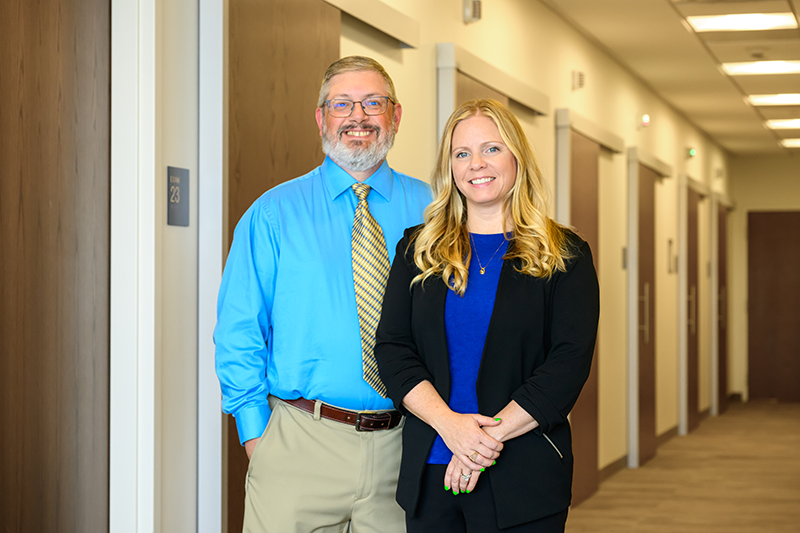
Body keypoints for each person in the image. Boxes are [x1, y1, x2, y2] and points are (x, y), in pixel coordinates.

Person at [214, 56, 432, 533]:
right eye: (342, 104)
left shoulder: (434, 210)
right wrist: (256, 436)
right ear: (321, 118)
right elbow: (239, 331)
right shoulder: (272, 213)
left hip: (404, 443)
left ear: (395, 116)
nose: (358, 116)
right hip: (299, 441)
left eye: (373, 102)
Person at [375, 99, 599, 532]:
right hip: (431, 473)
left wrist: (481, 441)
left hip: (523, 477)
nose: (476, 164)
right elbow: (393, 349)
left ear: (517, 157)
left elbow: (567, 364)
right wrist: (450, 427)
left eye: (492, 149)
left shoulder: (565, 254)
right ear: (451, 168)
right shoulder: (417, 250)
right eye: (462, 153)